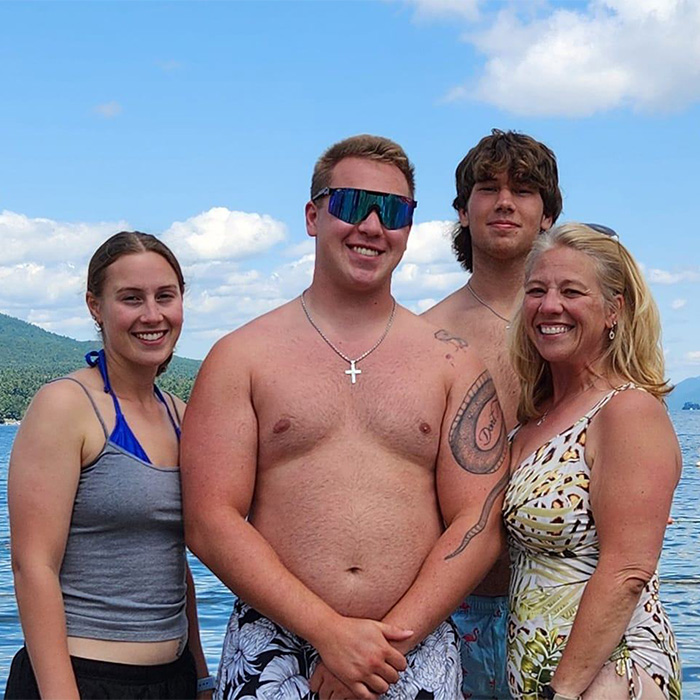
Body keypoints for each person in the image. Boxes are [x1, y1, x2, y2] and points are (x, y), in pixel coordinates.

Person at [180, 134, 510, 700]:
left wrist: (386, 645)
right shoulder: (241, 356)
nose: (374, 226)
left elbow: (478, 524)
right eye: (353, 204)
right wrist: (327, 632)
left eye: (396, 211)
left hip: (415, 644)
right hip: (274, 644)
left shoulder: (452, 362)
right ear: (313, 216)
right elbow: (211, 520)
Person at [6, 232, 212, 699]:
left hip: (171, 679)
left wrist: (200, 677)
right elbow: (32, 566)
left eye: (165, 296)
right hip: (83, 678)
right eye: (130, 299)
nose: (152, 315)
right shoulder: (66, 406)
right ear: (95, 307)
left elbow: (174, 567)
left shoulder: (182, 416)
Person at [504, 223, 682, 699]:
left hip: (609, 676)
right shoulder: (531, 423)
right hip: (543, 678)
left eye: (572, 291)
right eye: (536, 290)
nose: (549, 305)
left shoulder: (628, 412)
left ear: (614, 311)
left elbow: (627, 570)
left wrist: (563, 692)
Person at [423, 129, 562, 699]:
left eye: (524, 190)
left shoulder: (586, 330)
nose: (505, 201)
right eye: (488, 188)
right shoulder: (425, 336)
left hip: (566, 599)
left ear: (549, 214)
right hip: (457, 612)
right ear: (462, 211)